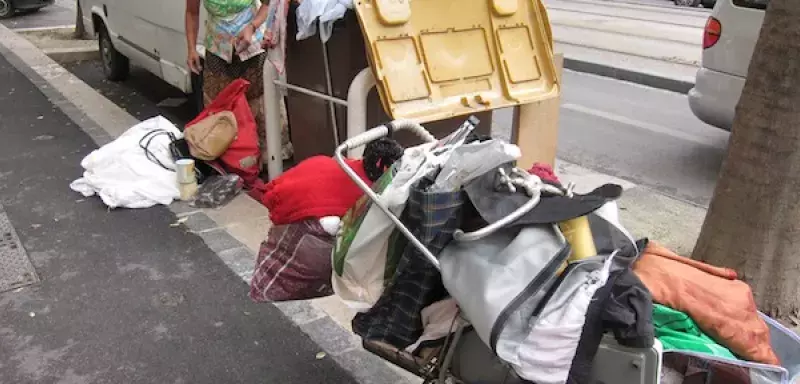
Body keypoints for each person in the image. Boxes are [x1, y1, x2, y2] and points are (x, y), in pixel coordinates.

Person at [185, 0, 293, 164]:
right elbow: (192, 12)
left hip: (253, 49)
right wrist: (191, 49)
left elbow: (268, 4)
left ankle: (270, 164)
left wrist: (253, 26)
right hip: (218, 51)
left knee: (262, 105)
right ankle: (231, 164)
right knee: (219, 108)